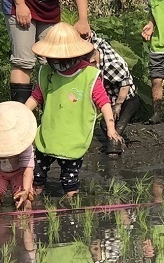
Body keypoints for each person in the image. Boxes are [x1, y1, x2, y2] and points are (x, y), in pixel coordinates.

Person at [24, 23, 122, 199]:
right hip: (49, 134)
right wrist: (20, 115)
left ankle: (71, 207)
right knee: (37, 175)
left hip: (73, 137)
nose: (55, 63)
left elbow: (104, 103)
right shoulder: (48, 72)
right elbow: (36, 97)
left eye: (59, 60)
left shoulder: (88, 76)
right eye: (51, 59)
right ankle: (35, 198)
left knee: (69, 179)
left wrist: (111, 128)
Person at [91, 33, 140, 155]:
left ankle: (115, 152)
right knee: (104, 124)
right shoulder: (97, 45)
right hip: (111, 97)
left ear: (93, 60)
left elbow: (125, 84)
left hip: (128, 98)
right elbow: (92, 35)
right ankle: (120, 143)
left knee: (115, 132)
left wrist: (118, 105)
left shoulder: (112, 65)